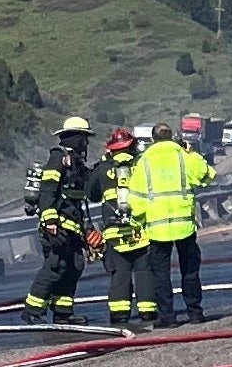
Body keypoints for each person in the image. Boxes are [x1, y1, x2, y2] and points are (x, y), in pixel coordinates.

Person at [126, 122, 214, 324]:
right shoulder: (183, 156)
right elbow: (207, 174)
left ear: (153, 139)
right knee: (190, 270)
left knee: (160, 274)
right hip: (184, 226)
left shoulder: (143, 162)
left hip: (157, 229)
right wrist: (192, 153)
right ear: (173, 137)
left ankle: (167, 317)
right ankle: (195, 313)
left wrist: (137, 221)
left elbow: (136, 198)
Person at [21, 116, 96, 324]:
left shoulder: (77, 162)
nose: (86, 143)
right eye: (84, 138)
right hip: (58, 224)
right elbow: (48, 191)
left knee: (74, 266)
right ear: (75, 137)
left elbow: (86, 187)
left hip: (72, 225)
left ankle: (63, 313)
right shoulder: (58, 158)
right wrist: (50, 220)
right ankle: (32, 311)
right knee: (55, 266)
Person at [91, 127, 158, 329]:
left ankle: (119, 313)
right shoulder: (142, 165)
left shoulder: (102, 169)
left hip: (115, 232)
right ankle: (147, 311)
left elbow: (91, 194)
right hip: (141, 230)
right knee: (144, 270)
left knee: (120, 272)